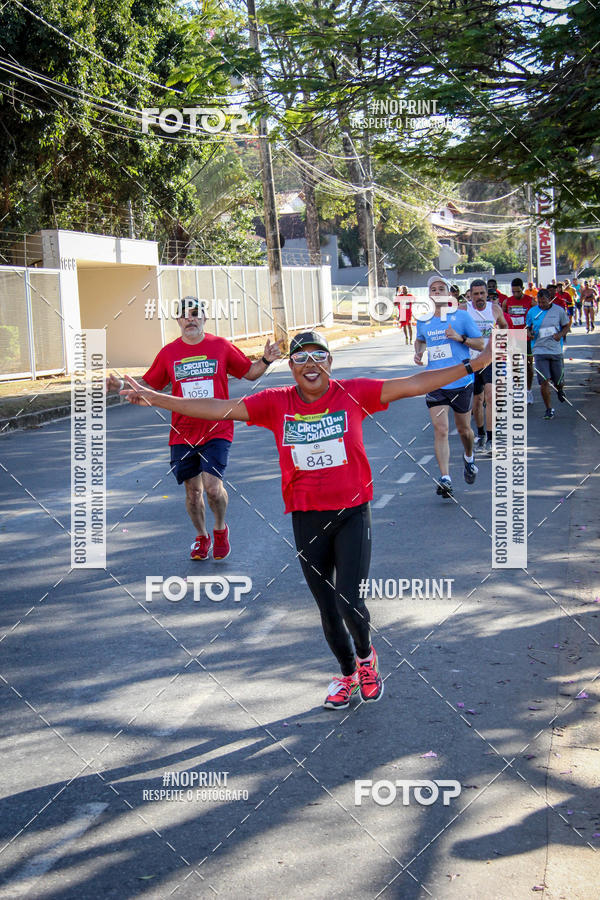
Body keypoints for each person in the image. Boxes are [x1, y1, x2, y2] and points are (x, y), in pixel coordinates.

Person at [120, 329, 493, 709]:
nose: (310, 364)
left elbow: (414, 383)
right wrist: (155, 397)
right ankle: (347, 674)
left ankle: (367, 660)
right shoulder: (275, 402)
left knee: (349, 600)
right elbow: (219, 408)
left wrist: (474, 364)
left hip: (351, 513)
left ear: (330, 363)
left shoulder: (353, 392)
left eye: (318, 356)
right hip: (306, 517)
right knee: (327, 607)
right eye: (300, 358)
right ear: (291, 366)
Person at [106, 295, 282, 560]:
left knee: (212, 487)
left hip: (217, 428)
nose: (190, 318)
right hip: (182, 432)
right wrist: (120, 387)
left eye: (195, 313)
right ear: (178, 320)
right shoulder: (168, 353)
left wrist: (266, 360)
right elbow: (148, 387)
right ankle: (202, 537)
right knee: (192, 493)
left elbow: (249, 372)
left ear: (204, 318)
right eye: (185, 314)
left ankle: (220, 529)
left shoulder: (220, 346)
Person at [414, 276, 485, 499]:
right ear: (429, 294)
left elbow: (480, 344)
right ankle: (445, 478)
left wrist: (459, 337)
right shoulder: (424, 319)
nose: (437, 292)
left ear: (449, 293)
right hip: (435, 382)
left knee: (464, 430)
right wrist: (418, 351)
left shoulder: (461, 316)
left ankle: (469, 458)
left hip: (461, 382)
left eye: (441, 288)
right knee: (441, 429)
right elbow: (421, 339)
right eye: (433, 289)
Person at [468, 279, 509, 454]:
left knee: (491, 396)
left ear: (487, 294)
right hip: (471, 361)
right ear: (470, 295)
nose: (479, 297)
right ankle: (481, 434)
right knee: (477, 402)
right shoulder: (464, 310)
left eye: (482, 293)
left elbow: (504, 325)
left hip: (490, 359)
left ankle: (492, 439)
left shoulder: (494, 309)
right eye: (475, 294)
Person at [526, 288, 570, 418]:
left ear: (549, 299)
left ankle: (560, 389)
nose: (541, 305)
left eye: (544, 302)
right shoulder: (532, 312)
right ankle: (549, 409)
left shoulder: (559, 311)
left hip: (555, 350)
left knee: (558, 380)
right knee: (544, 380)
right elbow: (528, 327)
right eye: (539, 302)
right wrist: (529, 333)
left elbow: (567, 325)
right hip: (539, 350)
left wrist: (560, 334)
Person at [502, 277, 535, 404]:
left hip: (525, 337)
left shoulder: (530, 301)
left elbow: (535, 317)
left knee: (528, 365)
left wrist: (531, 330)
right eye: (513, 291)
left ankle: (528, 391)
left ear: (523, 289)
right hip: (513, 337)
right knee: (515, 365)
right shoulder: (507, 302)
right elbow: (502, 318)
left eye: (518, 291)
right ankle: (517, 390)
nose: (516, 294)